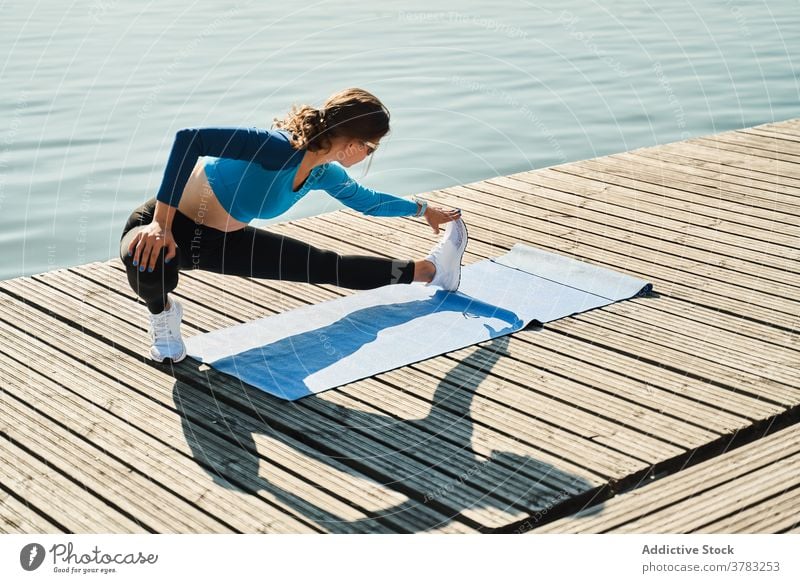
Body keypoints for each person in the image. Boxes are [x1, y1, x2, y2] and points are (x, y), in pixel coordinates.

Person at [120, 87, 468, 363]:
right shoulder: (277, 147)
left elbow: (368, 201)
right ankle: (162, 315)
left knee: (327, 266)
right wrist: (160, 225)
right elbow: (191, 138)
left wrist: (424, 209)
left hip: (224, 242)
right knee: (149, 262)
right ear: (353, 144)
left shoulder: (323, 173)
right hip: (163, 225)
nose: (370, 154)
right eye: (371, 147)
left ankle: (431, 271)